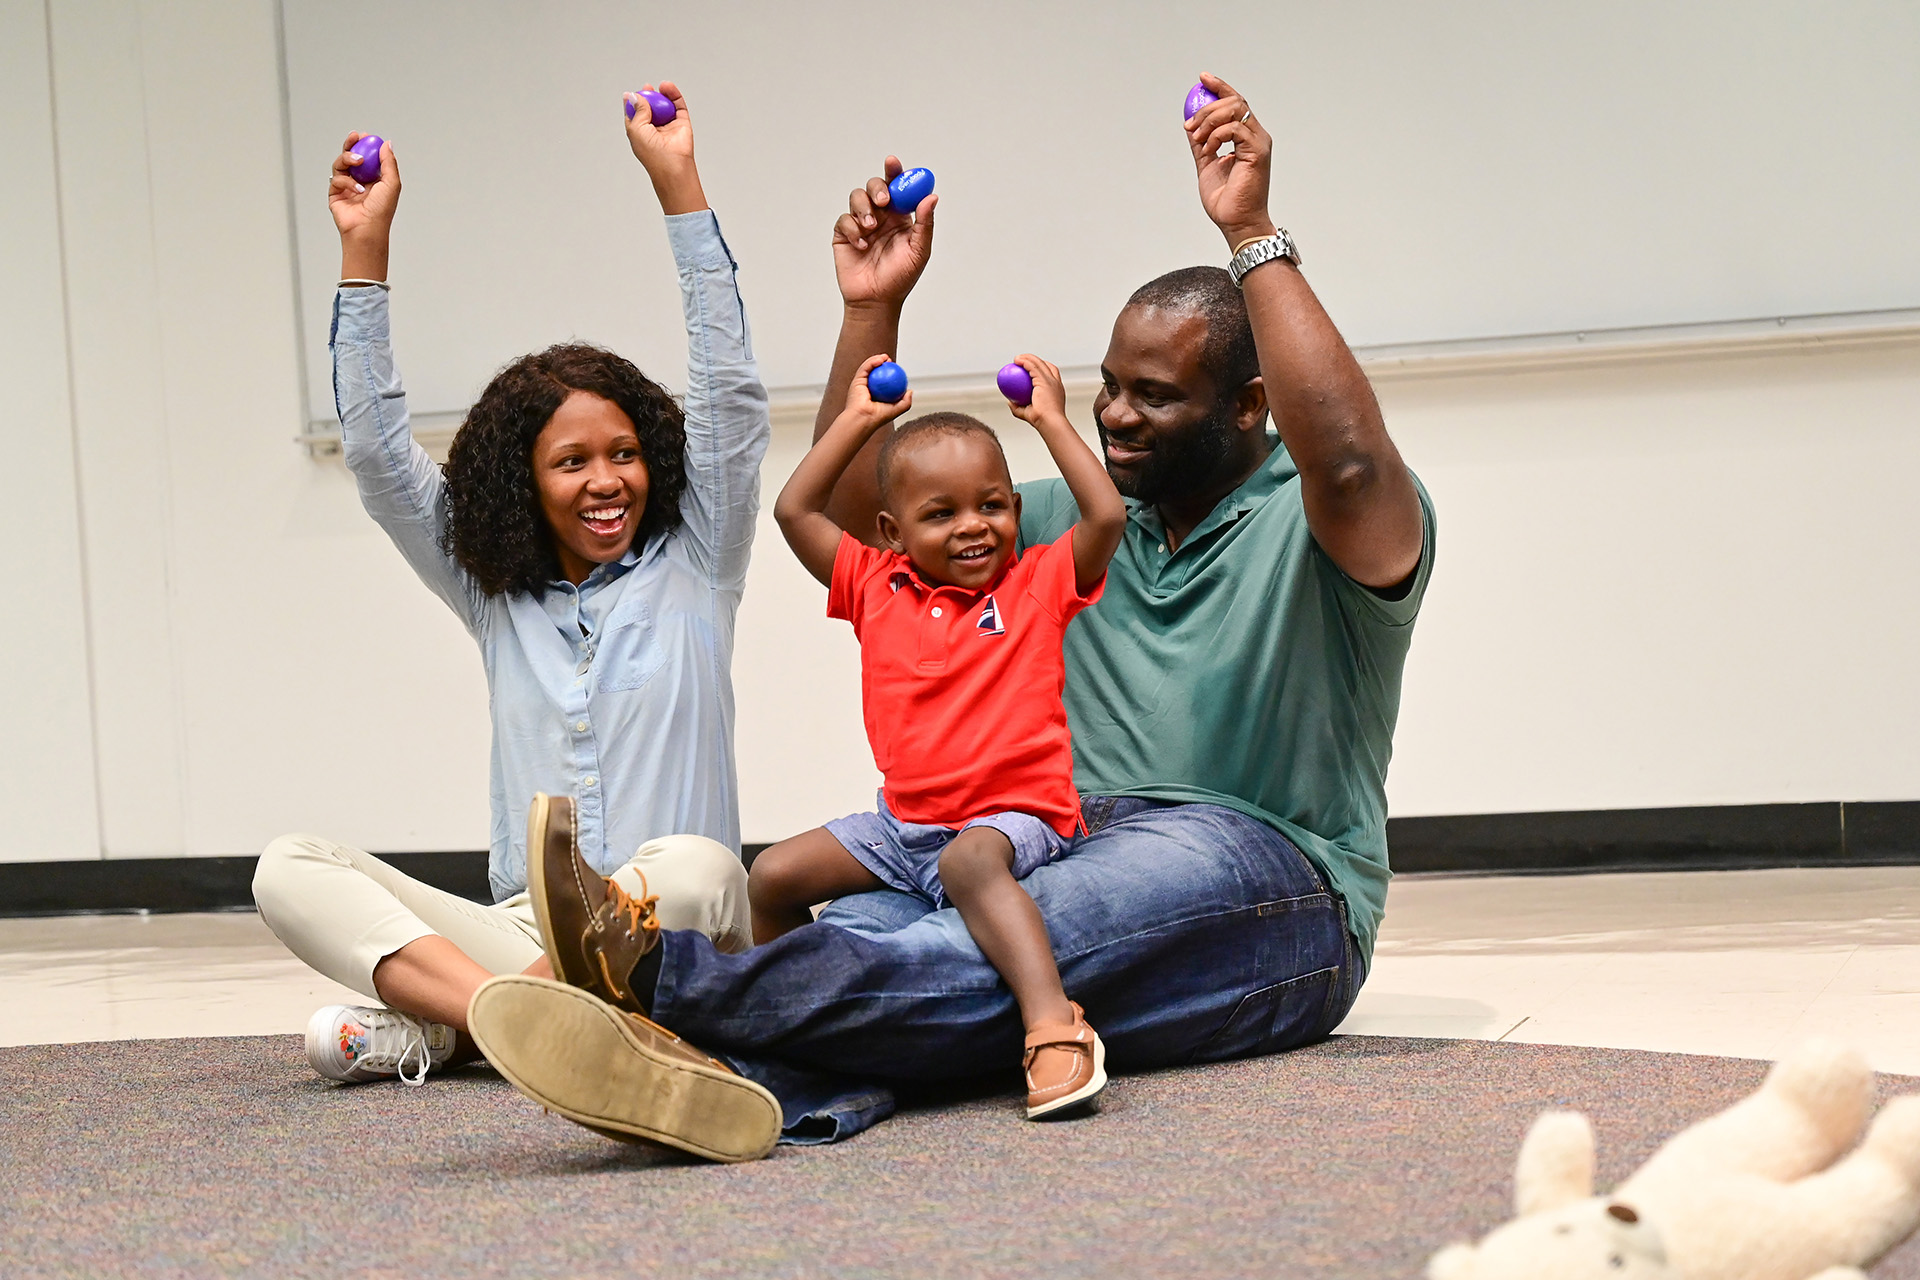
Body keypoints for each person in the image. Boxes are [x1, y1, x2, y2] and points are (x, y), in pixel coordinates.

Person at [465, 71, 1437, 1155]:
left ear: (1250, 406)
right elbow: (858, 518)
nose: (1114, 415)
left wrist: (1250, 229)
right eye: (1109, 385)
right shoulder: (1054, 524)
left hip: (1268, 875)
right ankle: (747, 1085)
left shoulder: (1321, 526)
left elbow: (1347, 459)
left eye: (1152, 396)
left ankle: (651, 977)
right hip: (1047, 836)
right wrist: (871, 309)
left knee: (990, 942)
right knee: (889, 934)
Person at [251, 83, 770, 1086]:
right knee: (288, 866)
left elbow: (731, 392)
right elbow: (374, 450)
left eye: (624, 452)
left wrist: (680, 188)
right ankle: (521, 1015)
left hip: (675, 920)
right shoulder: (493, 592)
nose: (606, 479)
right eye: (572, 461)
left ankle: (467, 1025)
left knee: (703, 863)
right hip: (525, 926)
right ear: (524, 484)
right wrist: (366, 250)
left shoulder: (699, 557)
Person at [752, 350, 1125, 1119]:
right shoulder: (872, 586)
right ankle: (784, 1027)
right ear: (891, 531)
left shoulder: (1037, 583)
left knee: (969, 862)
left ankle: (1054, 1026)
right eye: (940, 513)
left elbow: (1107, 517)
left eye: (992, 506)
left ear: (1016, 510)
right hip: (903, 825)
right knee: (773, 876)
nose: (973, 527)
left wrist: (1051, 420)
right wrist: (859, 421)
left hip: (1017, 813)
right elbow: (794, 511)